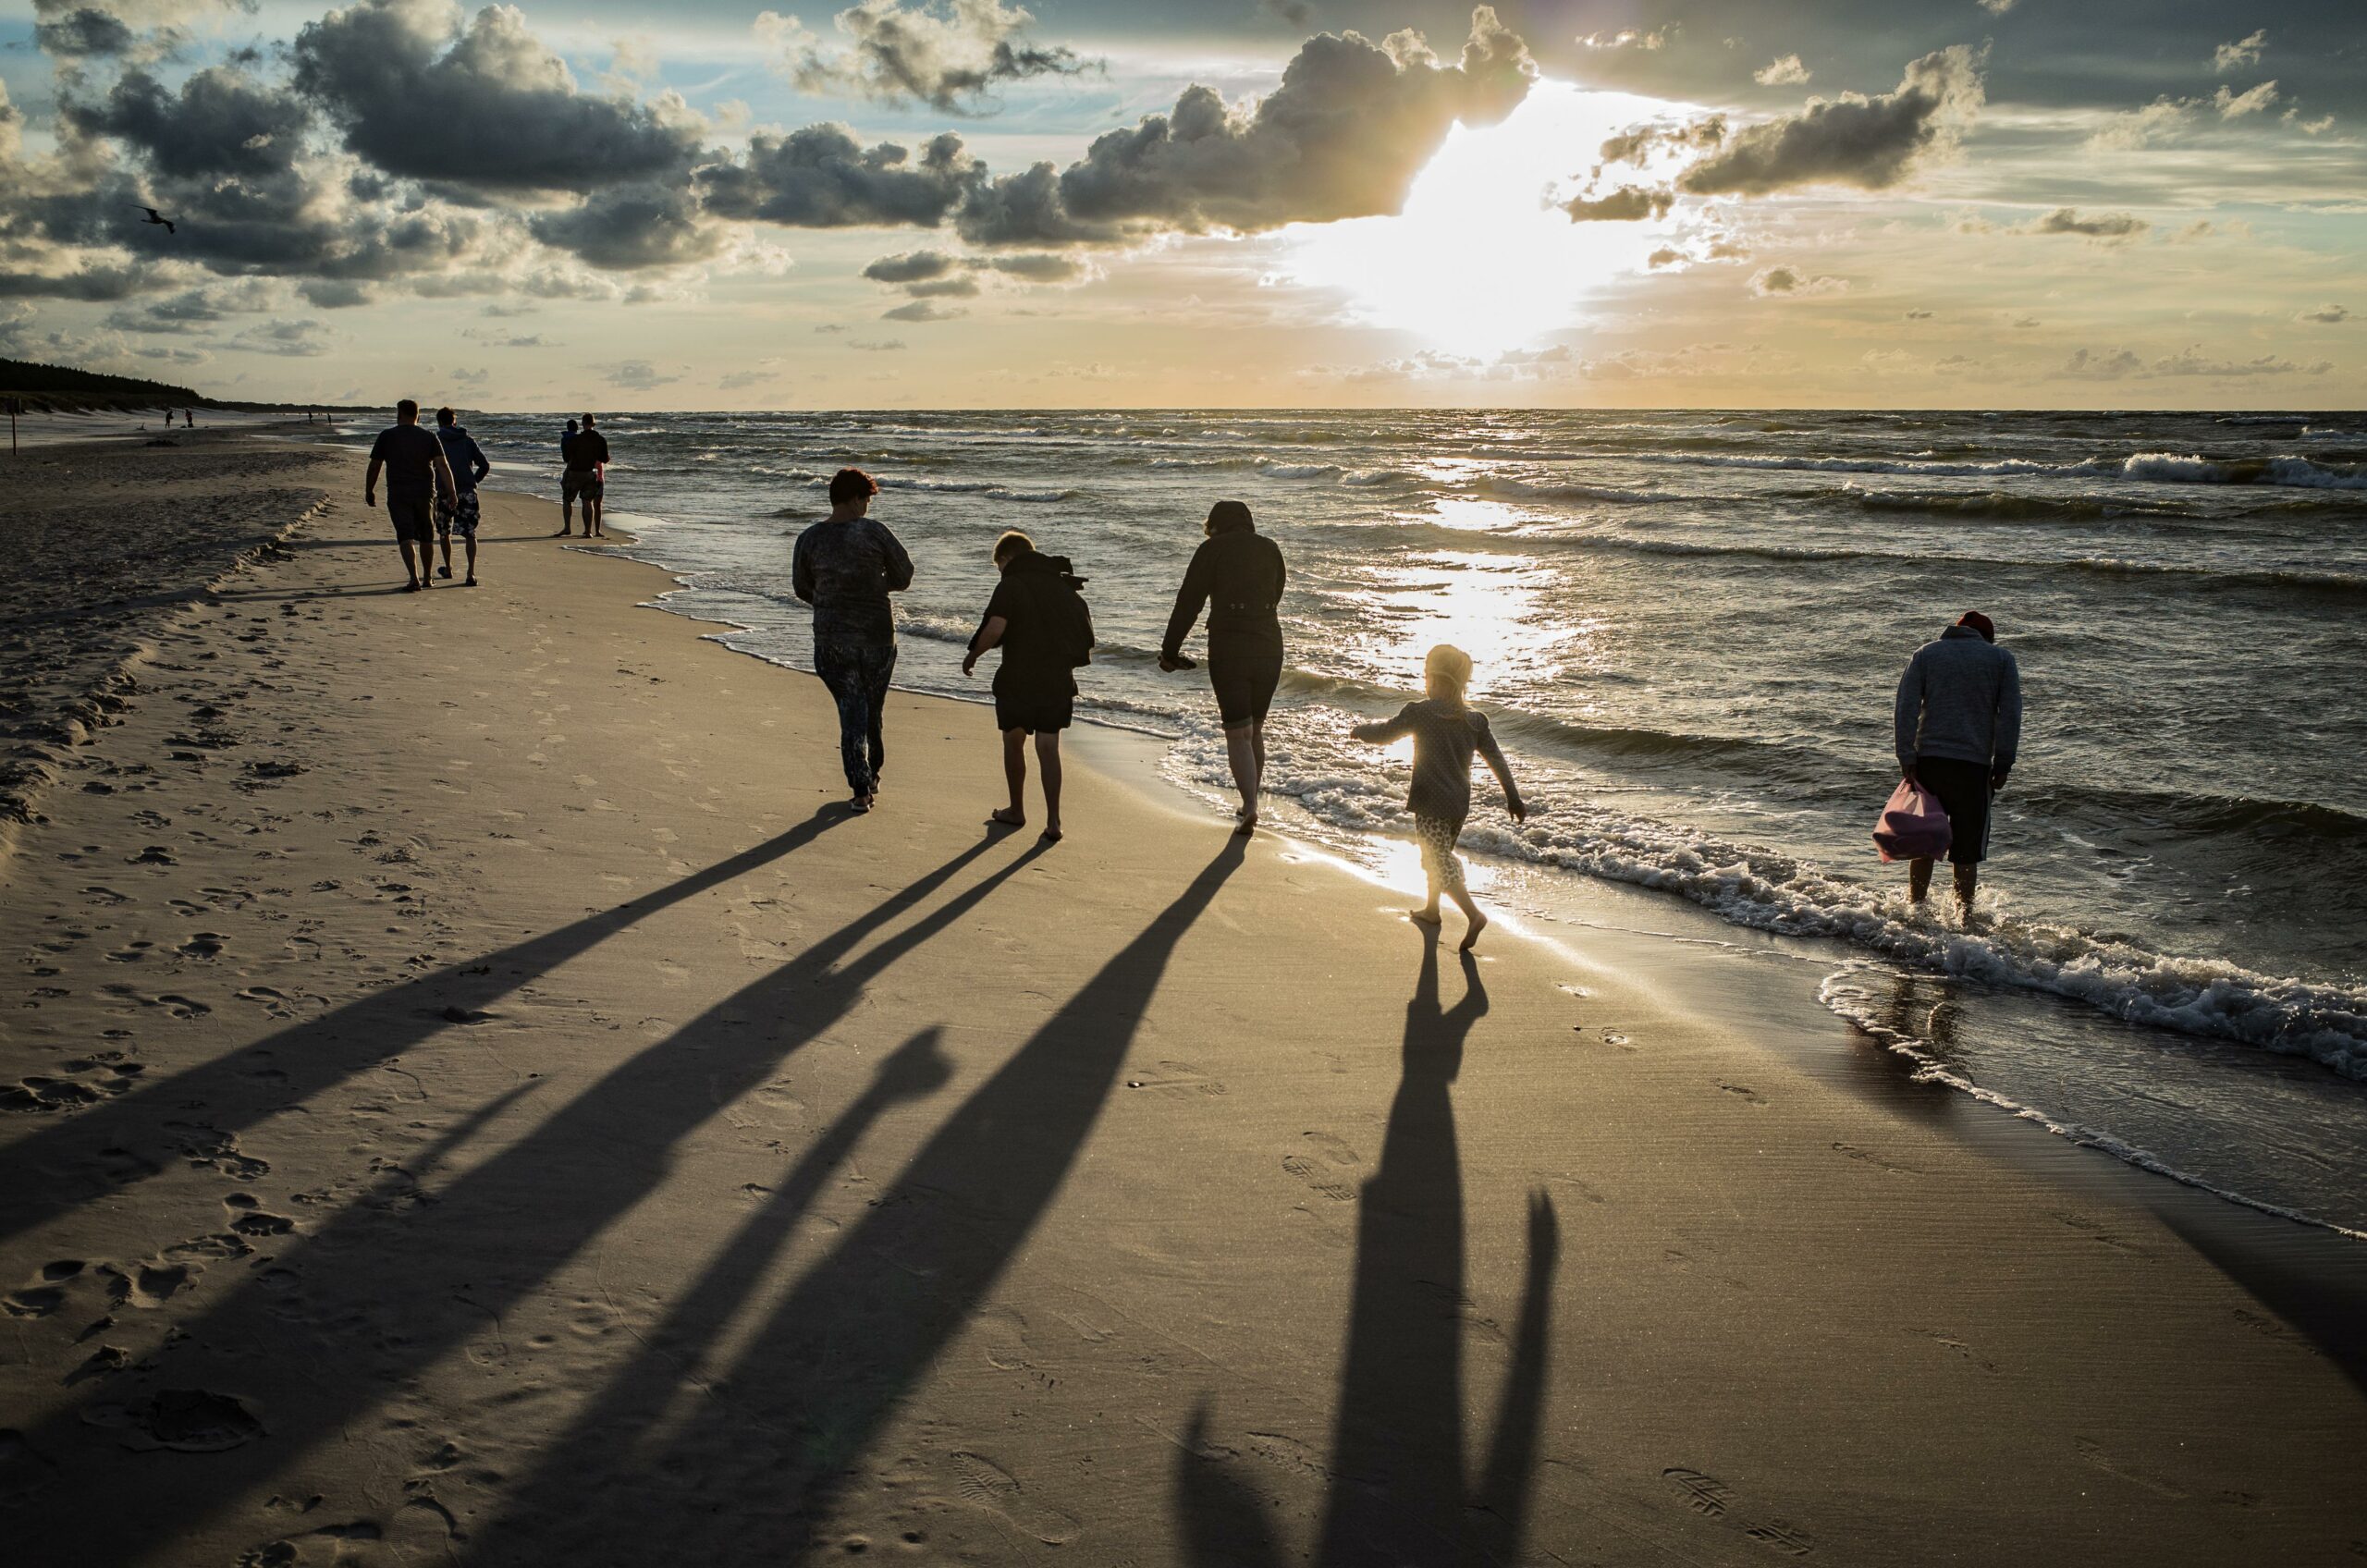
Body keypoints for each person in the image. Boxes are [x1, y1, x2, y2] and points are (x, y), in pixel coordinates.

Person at [1351, 644, 1527, 950]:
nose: (1424, 683)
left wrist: (1361, 731)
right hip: (1458, 804)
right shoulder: (1476, 721)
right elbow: (1496, 759)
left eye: (1426, 677)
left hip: (1429, 802)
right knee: (1440, 855)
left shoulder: (1419, 712)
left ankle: (1473, 914)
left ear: (1435, 679)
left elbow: (1385, 734)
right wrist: (1513, 797)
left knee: (1436, 858)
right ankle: (1432, 910)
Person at [1159, 498, 1287, 833]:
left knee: (1237, 731)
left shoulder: (1211, 549)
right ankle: (1250, 802)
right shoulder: (1270, 548)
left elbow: (1189, 603)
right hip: (1270, 645)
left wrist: (1169, 651)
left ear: (1215, 525)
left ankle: (1249, 807)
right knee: (1254, 729)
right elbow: (1278, 591)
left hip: (1230, 646)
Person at [791, 468, 914, 812]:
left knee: (851, 710)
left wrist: (833, 594)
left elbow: (802, 587)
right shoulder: (875, 533)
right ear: (857, 499)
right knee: (872, 710)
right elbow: (904, 576)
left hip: (831, 639)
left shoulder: (810, 538)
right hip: (877, 637)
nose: (868, 507)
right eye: (867, 500)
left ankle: (861, 788)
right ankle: (871, 773)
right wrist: (872, 585)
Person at [962, 529, 1090, 843]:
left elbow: (995, 627)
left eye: (999, 566)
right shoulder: (1063, 584)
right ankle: (1054, 821)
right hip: (1058, 679)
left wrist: (973, 655)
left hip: (1019, 676)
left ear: (1007, 559)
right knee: (1048, 748)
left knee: (1013, 741)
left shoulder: (1011, 583)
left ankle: (1017, 810)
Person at [1895, 609, 2022, 913]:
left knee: (1924, 845)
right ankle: (1964, 917)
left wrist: (1906, 755)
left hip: (1929, 763)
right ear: (1987, 638)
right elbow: (2010, 716)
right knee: (1965, 852)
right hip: (1973, 768)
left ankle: (1916, 909)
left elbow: (1905, 707)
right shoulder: (2001, 659)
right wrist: (2003, 762)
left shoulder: (1926, 654)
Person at [363, 398, 458, 593]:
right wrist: (452, 491)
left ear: (399, 414)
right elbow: (442, 465)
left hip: (398, 493)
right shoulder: (429, 436)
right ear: (418, 416)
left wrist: (369, 490)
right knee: (426, 536)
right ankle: (428, 577)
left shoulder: (387, 436)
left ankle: (414, 577)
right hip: (425, 493)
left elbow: (375, 466)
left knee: (404, 535)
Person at [432, 406, 492, 587]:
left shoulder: (436, 440)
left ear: (439, 422)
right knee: (470, 533)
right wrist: (473, 481)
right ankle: (470, 573)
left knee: (444, 532)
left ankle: (449, 568)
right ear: (454, 421)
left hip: (444, 491)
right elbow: (485, 465)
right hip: (467, 491)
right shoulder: (467, 440)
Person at [560, 415, 608, 538]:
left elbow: (566, 458)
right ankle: (588, 531)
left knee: (567, 500)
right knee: (587, 502)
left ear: (582, 423)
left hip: (575, 472)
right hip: (589, 473)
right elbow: (605, 459)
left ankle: (567, 527)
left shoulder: (576, 440)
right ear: (594, 424)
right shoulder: (600, 440)